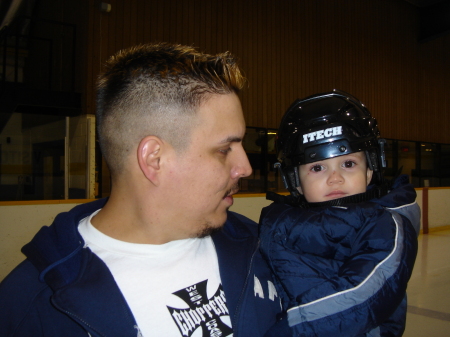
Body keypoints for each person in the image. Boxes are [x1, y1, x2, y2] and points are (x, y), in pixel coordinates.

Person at [0, 43, 282, 337]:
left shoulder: (263, 248)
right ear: (154, 159)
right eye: (225, 149)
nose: (245, 168)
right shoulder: (29, 310)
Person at [259, 90, 420, 337]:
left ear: (370, 172)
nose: (335, 178)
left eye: (348, 164)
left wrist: (289, 331)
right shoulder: (276, 221)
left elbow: (363, 295)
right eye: (317, 167)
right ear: (295, 182)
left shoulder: (386, 224)